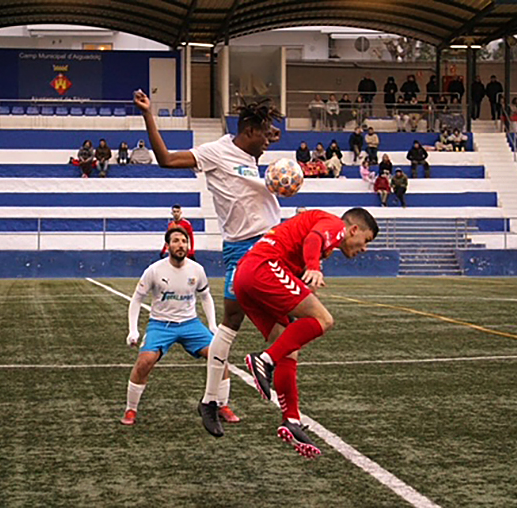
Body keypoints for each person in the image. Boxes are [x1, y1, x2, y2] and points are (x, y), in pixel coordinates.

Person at [133, 90, 282, 438]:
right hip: (241, 251)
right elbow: (167, 160)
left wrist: (271, 141)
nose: (268, 144)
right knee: (231, 323)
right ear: (248, 132)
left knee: (285, 325)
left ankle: (285, 405)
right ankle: (211, 400)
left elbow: (258, 160)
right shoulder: (216, 151)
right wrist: (148, 115)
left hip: (270, 245)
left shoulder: (252, 152)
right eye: (264, 135)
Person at [239, 208, 378, 457]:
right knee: (323, 319)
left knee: (289, 349)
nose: (364, 248)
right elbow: (314, 238)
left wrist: (305, 280)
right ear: (354, 230)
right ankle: (264, 360)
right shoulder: (337, 226)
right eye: (365, 240)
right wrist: (314, 267)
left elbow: (303, 240)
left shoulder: (320, 224)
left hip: (246, 277)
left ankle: (291, 419)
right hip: (264, 268)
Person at [121, 227, 239, 426]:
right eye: (175, 241)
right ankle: (131, 409)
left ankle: (222, 405)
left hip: (190, 324)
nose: (180, 245)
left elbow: (205, 297)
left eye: (184, 241)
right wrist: (133, 329)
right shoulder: (154, 270)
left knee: (219, 355)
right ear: (168, 246)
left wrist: (212, 325)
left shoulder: (196, 269)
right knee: (144, 362)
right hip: (161, 325)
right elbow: (137, 299)